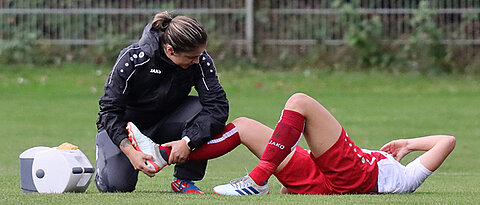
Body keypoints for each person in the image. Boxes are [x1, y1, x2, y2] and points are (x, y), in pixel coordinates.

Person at [127, 93, 455, 195]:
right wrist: (292, 184)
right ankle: (162, 154)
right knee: (243, 127)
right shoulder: (391, 172)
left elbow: (447, 141)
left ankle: (257, 179)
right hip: (322, 177)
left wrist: (408, 144)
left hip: (350, 173)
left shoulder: (408, 180)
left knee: (300, 102)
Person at [95, 11, 229, 194]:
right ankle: (110, 153)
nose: (198, 60)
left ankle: (184, 179)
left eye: (200, 54)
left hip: (168, 121)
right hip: (127, 127)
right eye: (191, 57)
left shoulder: (201, 60)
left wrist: (188, 142)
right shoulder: (132, 59)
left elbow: (217, 106)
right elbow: (109, 111)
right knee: (115, 187)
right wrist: (130, 151)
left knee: (203, 111)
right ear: (170, 50)